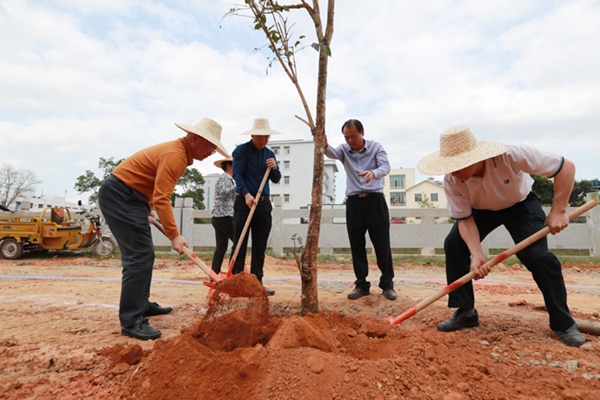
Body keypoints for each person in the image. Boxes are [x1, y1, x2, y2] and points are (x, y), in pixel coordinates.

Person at [417, 125, 586, 346]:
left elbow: (566, 167)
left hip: (520, 204)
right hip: (479, 211)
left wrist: (559, 211)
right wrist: (476, 254)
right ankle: (465, 311)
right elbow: (464, 219)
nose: (452, 171)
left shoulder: (511, 154)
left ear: (474, 157)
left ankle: (564, 324)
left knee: (538, 257)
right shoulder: (452, 180)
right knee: (454, 244)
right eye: (448, 166)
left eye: (456, 165)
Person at [98, 117, 229, 340]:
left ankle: (140, 304)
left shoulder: (178, 153)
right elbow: (163, 197)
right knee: (139, 256)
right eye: (210, 146)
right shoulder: (175, 156)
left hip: (132, 197)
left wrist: (145, 205)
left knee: (144, 255)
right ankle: (132, 321)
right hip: (120, 196)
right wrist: (174, 235)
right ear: (196, 138)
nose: (211, 152)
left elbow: (151, 184)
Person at [324, 119, 396, 301]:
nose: (350, 141)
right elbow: (330, 152)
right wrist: (323, 143)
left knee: (382, 244)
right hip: (354, 203)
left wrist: (373, 173)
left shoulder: (375, 147)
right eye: (346, 137)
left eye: (353, 136)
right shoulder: (343, 150)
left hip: (375, 201)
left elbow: (385, 167)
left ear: (362, 133)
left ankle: (387, 284)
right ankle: (361, 284)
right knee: (356, 245)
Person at [231, 118, 282, 295]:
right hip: (244, 203)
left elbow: (276, 178)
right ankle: (236, 283)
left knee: (260, 247)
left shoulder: (269, 154)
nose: (264, 140)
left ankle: (257, 283)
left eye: (266, 137)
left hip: (263, 204)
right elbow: (237, 174)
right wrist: (246, 194)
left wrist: (275, 168)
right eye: (260, 137)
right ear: (252, 135)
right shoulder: (241, 151)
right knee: (240, 244)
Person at [211, 157, 235, 274]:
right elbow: (224, 193)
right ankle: (233, 270)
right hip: (224, 216)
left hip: (220, 217)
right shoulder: (224, 177)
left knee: (221, 247)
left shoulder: (229, 179)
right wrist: (238, 185)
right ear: (228, 166)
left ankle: (214, 273)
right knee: (239, 242)